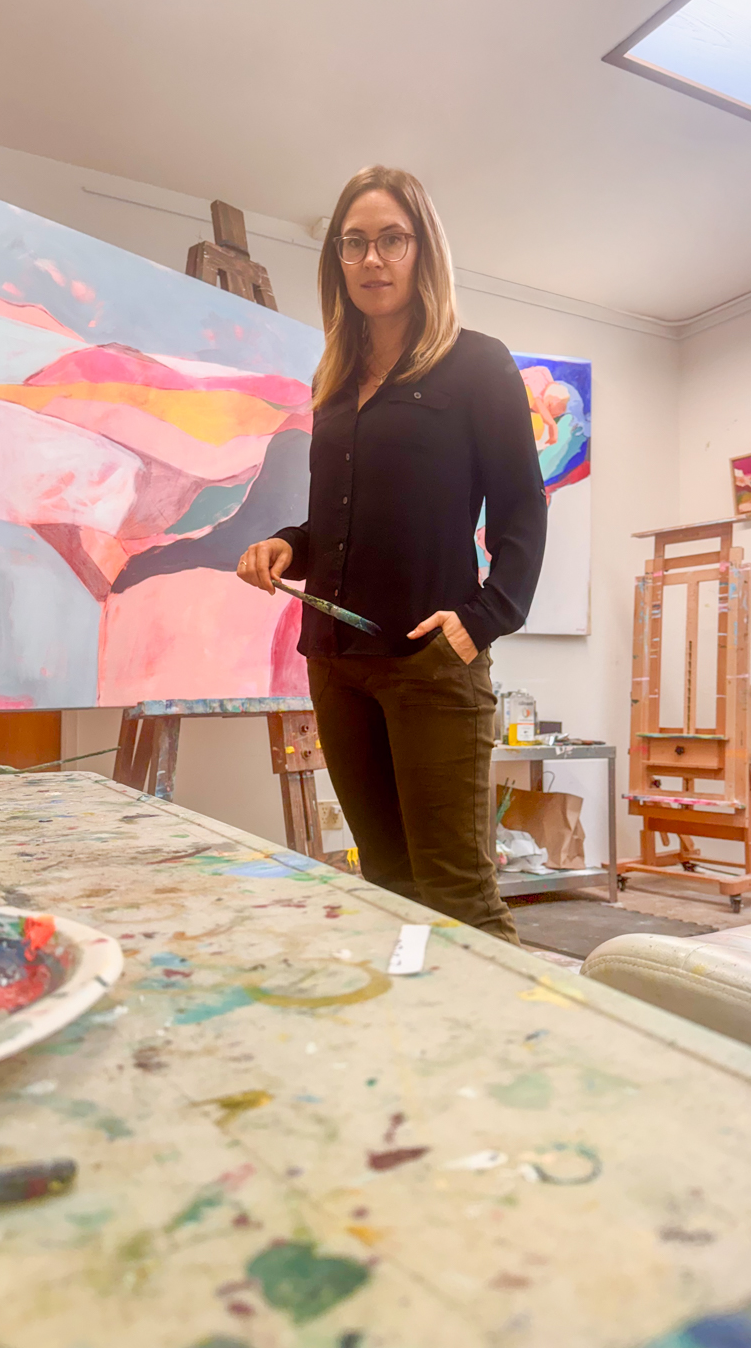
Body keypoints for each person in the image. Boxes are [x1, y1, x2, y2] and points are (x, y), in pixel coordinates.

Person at [238, 165, 546, 945]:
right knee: (387, 885)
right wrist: (286, 544)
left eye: (391, 240)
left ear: (422, 251)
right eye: (354, 243)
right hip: (336, 662)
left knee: (459, 899)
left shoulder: (477, 362)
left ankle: (512, 1058)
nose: (373, 260)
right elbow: (335, 521)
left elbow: (519, 505)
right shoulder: (334, 382)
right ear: (336, 260)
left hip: (428, 661)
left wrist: (486, 618)